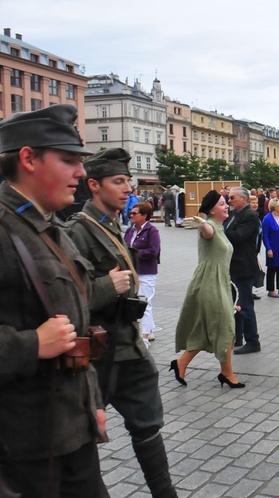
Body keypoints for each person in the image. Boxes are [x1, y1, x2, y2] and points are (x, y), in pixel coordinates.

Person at [0, 104, 107, 496]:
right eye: (68, 160)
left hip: (71, 430)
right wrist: (31, 344)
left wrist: (91, 401)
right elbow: (47, 338)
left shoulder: (50, 228)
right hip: (21, 449)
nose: (81, 173)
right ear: (28, 158)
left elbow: (75, 328)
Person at [66, 147, 176, 497]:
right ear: (94, 185)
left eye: (128, 180)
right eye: (119, 181)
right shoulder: (77, 232)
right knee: (81, 436)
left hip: (128, 348)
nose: (128, 187)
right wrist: (104, 287)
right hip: (96, 356)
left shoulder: (115, 225)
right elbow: (65, 298)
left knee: (148, 424)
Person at [173, 191, 246, 388]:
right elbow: (207, 232)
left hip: (220, 282)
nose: (227, 206)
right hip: (208, 283)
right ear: (212, 210)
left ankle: (182, 364)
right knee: (226, 325)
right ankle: (227, 373)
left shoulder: (221, 228)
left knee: (206, 328)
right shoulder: (210, 226)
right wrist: (203, 223)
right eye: (222, 203)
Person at [225, 186, 261, 355]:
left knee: (245, 305)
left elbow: (239, 237)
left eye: (233, 197)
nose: (229, 200)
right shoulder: (234, 214)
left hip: (244, 266)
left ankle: (253, 340)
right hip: (233, 265)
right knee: (235, 305)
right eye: (229, 197)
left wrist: (221, 230)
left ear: (244, 199)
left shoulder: (250, 215)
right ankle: (237, 336)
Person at [124, 201, 161, 344]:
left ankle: (144, 337)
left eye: (134, 213)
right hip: (132, 271)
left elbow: (153, 251)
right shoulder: (130, 230)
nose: (131, 215)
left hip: (146, 272)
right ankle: (150, 330)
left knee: (144, 303)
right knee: (139, 301)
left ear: (144, 215)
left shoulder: (152, 231)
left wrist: (134, 254)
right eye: (130, 213)